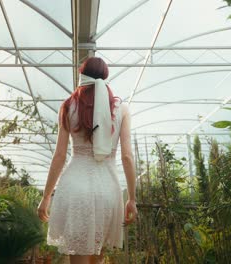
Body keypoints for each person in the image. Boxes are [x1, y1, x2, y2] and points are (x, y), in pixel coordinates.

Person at [37, 57, 138, 264]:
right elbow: (127, 157)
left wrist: (46, 196)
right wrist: (132, 199)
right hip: (107, 190)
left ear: (81, 75)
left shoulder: (68, 107)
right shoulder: (121, 109)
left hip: (75, 191)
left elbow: (60, 156)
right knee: (97, 260)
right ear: (105, 76)